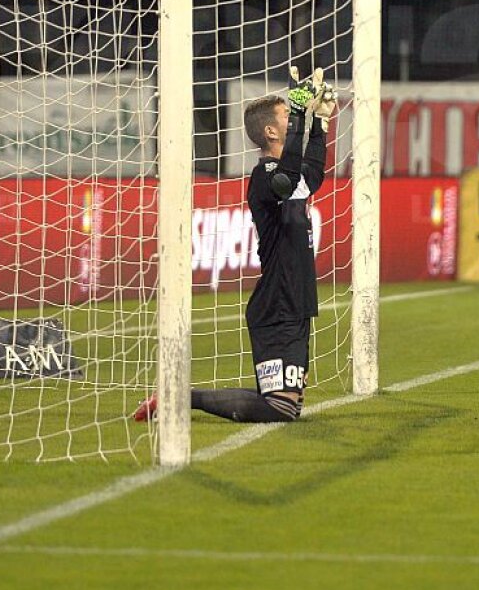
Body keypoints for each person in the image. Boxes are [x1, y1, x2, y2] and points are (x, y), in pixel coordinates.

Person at [134, 67, 336, 423]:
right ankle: (181, 397)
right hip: (279, 303)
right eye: (287, 114)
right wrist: (303, 115)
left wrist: (317, 123)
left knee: (284, 404)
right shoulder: (265, 177)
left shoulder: (286, 175)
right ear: (271, 131)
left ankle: (180, 395)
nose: (292, 115)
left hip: (294, 300)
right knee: (281, 408)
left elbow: (312, 175)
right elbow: (288, 180)